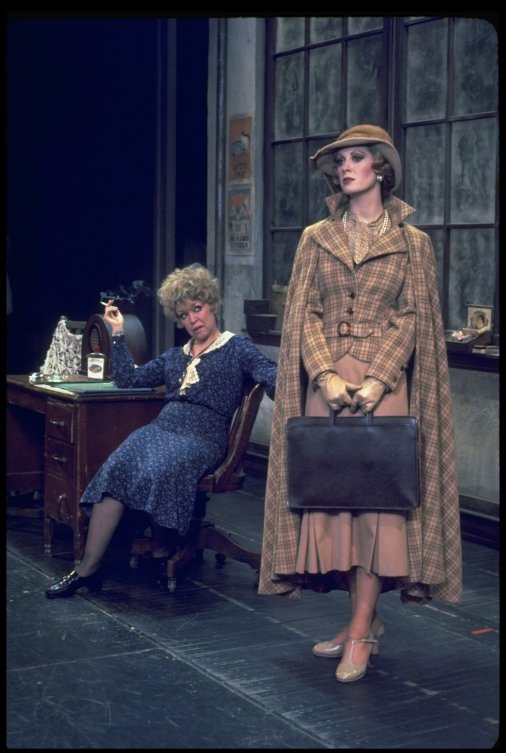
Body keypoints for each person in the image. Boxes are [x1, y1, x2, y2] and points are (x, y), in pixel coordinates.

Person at [258, 124, 462, 683]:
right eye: (340, 160)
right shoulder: (315, 237)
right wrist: (323, 374)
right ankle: (360, 622)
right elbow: (303, 315)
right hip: (330, 386)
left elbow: (415, 316)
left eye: (356, 158)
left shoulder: (412, 242)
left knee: (376, 511)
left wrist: (378, 379)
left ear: (381, 169)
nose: (345, 167)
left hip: (384, 386)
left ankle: (361, 630)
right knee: (339, 507)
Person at [46, 264, 277, 598]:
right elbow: (127, 379)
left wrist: (297, 388)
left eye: (197, 308)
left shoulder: (236, 348)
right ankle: (87, 570)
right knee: (117, 468)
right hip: (161, 428)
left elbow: (267, 372)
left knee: (159, 465)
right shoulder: (175, 357)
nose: (193, 319)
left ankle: (161, 546)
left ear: (211, 305)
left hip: (203, 436)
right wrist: (118, 332)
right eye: (184, 315)